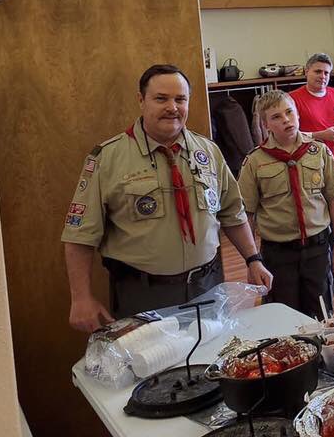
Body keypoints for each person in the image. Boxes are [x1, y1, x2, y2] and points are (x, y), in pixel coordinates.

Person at [61, 64, 272, 332]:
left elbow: (232, 214)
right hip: (143, 294)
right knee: (155, 369)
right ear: (141, 100)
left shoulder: (208, 152)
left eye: (180, 99)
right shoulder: (107, 158)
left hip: (207, 286)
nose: (172, 107)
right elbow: (80, 236)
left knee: (211, 363)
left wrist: (253, 259)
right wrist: (81, 297)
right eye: (161, 98)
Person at [238, 90, 334, 318]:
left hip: (317, 248)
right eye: (276, 117)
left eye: (289, 112)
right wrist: (252, 260)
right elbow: (245, 214)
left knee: (321, 314)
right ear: (266, 124)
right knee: (284, 317)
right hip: (278, 253)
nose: (286, 119)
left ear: (298, 114)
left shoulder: (318, 152)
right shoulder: (255, 161)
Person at [290, 53, 334, 295]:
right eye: (317, 71)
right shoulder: (293, 99)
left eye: (327, 72)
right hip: (308, 167)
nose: (323, 76)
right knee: (320, 218)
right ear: (307, 71)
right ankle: (324, 271)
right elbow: (289, 135)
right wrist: (320, 135)